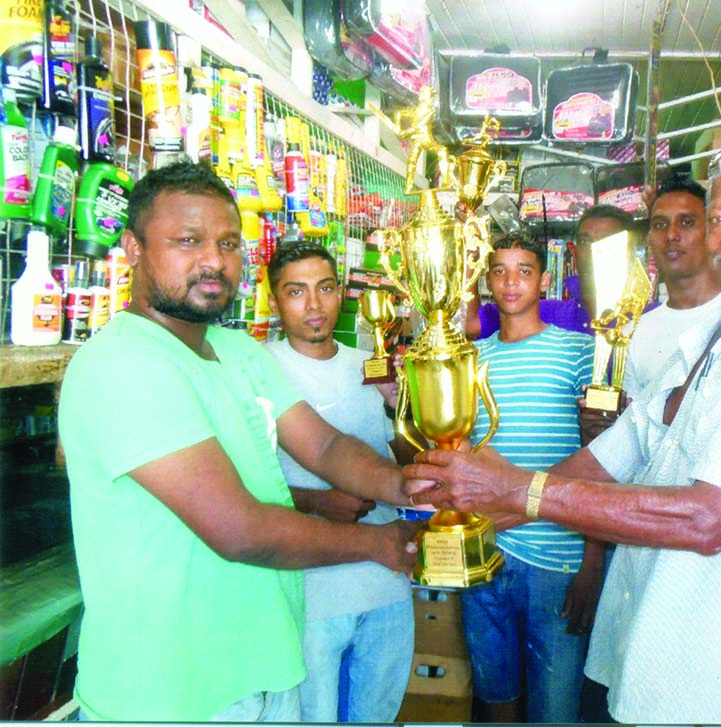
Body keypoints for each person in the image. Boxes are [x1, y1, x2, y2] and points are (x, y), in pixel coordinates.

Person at [403, 138, 721, 724]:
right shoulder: (715, 332)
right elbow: (614, 454)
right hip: (649, 651)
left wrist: (518, 492)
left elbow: (708, 518)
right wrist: (472, 507)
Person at [58, 161, 419, 722]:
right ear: (132, 248)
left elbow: (323, 447)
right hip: (170, 695)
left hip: (267, 673)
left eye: (228, 243)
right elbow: (240, 531)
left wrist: (406, 484)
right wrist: (381, 545)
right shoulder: (122, 362)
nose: (213, 260)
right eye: (187, 241)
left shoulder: (238, 350)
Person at [264, 241, 413, 723]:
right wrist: (313, 500)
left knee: (378, 714)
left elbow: (407, 457)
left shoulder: (369, 363)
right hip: (312, 585)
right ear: (273, 301)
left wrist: (402, 407)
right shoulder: (258, 369)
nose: (313, 306)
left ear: (343, 294)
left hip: (386, 575)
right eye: (296, 292)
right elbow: (237, 484)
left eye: (325, 289)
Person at [460, 234, 601, 723]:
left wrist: (593, 560)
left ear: (544, 280)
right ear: (487, 281)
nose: (510, 281)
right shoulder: (469, 360)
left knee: (555, 709)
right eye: (499, 270)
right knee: (496, 699)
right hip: (485, 550)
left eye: (523, 271)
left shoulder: (580, 352)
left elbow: (601, 460)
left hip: (557, 558)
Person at [621, 176, 721, 395]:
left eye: (687, 223)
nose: (671, 235)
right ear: (649, 239)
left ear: (712, 231)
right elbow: (632, 426)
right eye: (660, 225)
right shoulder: (632, 334)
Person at [465, 204, 633, 340]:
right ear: (574, 251)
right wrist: (471, 250)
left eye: (605, 241)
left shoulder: (648, 317)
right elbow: (470, 325)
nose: (592, 250)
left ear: (628, 253)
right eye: (584, 241)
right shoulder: (544, 312)